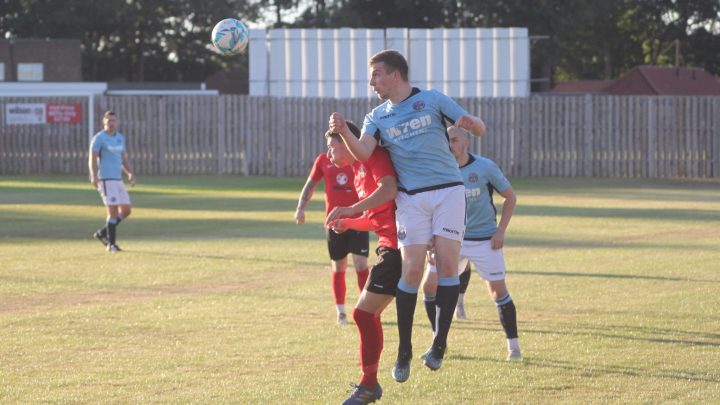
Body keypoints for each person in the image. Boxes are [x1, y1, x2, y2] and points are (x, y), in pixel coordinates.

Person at [329, 49, 486, 381]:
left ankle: (439, 345)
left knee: (446, 266)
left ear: (395, 75)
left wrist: (474, 124)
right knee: (412, 270)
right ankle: (404, 351)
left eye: (376, 75)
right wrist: (345, 131)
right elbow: (364, 152)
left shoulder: (432, 99)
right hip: (411, 199)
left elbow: (479, 128)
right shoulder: (377, 116)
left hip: (448, 191)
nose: (372, 82)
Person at [422, 126, 521, 361]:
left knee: (498, 292)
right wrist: (430, 240)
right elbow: (430, 207)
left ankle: (514, 348)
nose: (450, 145)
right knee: (428, 286)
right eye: (446, 141)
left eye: (454, 140)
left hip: (485, 239)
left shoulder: (484, 167)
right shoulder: (439, 171)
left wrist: (500, 231)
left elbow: (510, 197)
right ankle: (439, 343)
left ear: (466, 142)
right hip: (449, 238)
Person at [324, 122, 400, 405]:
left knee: (363, 314)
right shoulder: (357, 171)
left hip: (400, 246)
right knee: (367, 315)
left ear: (347, 140)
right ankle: (370, 383)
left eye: (332, 145)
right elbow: (377, 218)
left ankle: (371, 384)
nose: (329, 153)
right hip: (388, 245)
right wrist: (348, 222)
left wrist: (351, 208)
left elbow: (389, 189)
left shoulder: (373, 157)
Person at [295, 149, 370, 325]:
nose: (330, 149)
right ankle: (341, 312)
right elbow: (310, 184)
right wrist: (300, 208)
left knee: (361, 264)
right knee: (338, 266)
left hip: (358, 220)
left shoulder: (358, 159)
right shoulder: (322, 160)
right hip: (334, 223)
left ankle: (366, 308)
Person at [89, 111, 135, 253]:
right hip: (106, 179)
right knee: (113, 212)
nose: (111, 123)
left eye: (113, 120)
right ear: (104, 122)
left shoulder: (120, 138)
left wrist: (130, 173)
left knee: (126, 210)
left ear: (117, 122)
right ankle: (111, 245)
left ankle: (103, 233)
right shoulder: (99, 138)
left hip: (118, 179)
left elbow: (123, 158)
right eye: (109, 120)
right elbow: (92, 159)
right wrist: (94, 176)